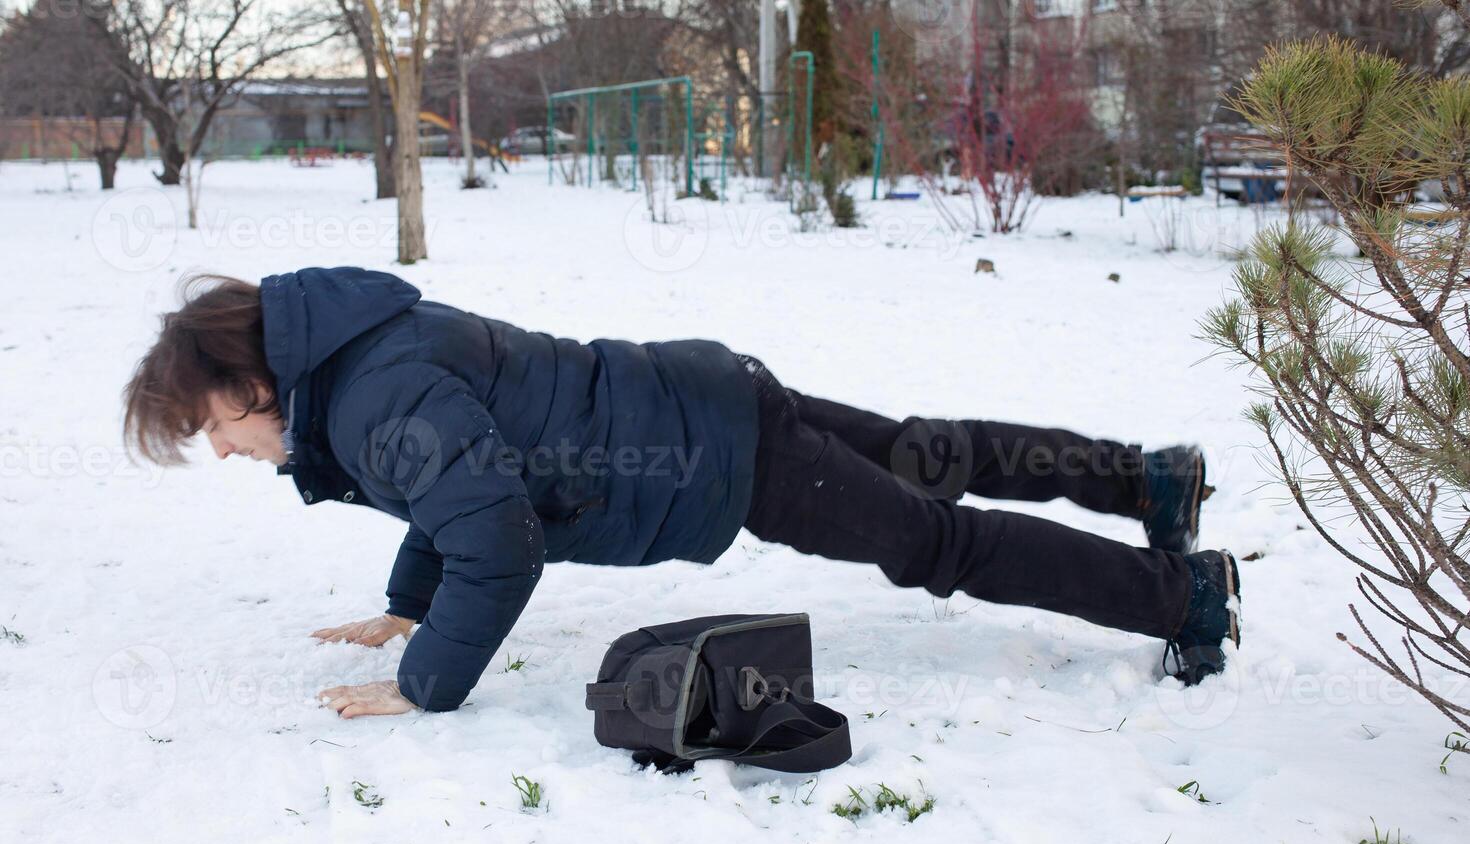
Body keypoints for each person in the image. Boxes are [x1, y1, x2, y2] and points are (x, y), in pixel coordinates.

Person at [122, 267, 1241, 720]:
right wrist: (410, 603)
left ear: (253, 383)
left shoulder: (369, 399)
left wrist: (425, 680)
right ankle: (1148, 478)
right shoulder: (359, 358)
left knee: (936, 541)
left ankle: (1184, 596)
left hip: (720, 455)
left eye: (212, 428)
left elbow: (497, 538)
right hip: (708, 392)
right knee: (918, 450)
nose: (221, 452)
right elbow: (453, 492)